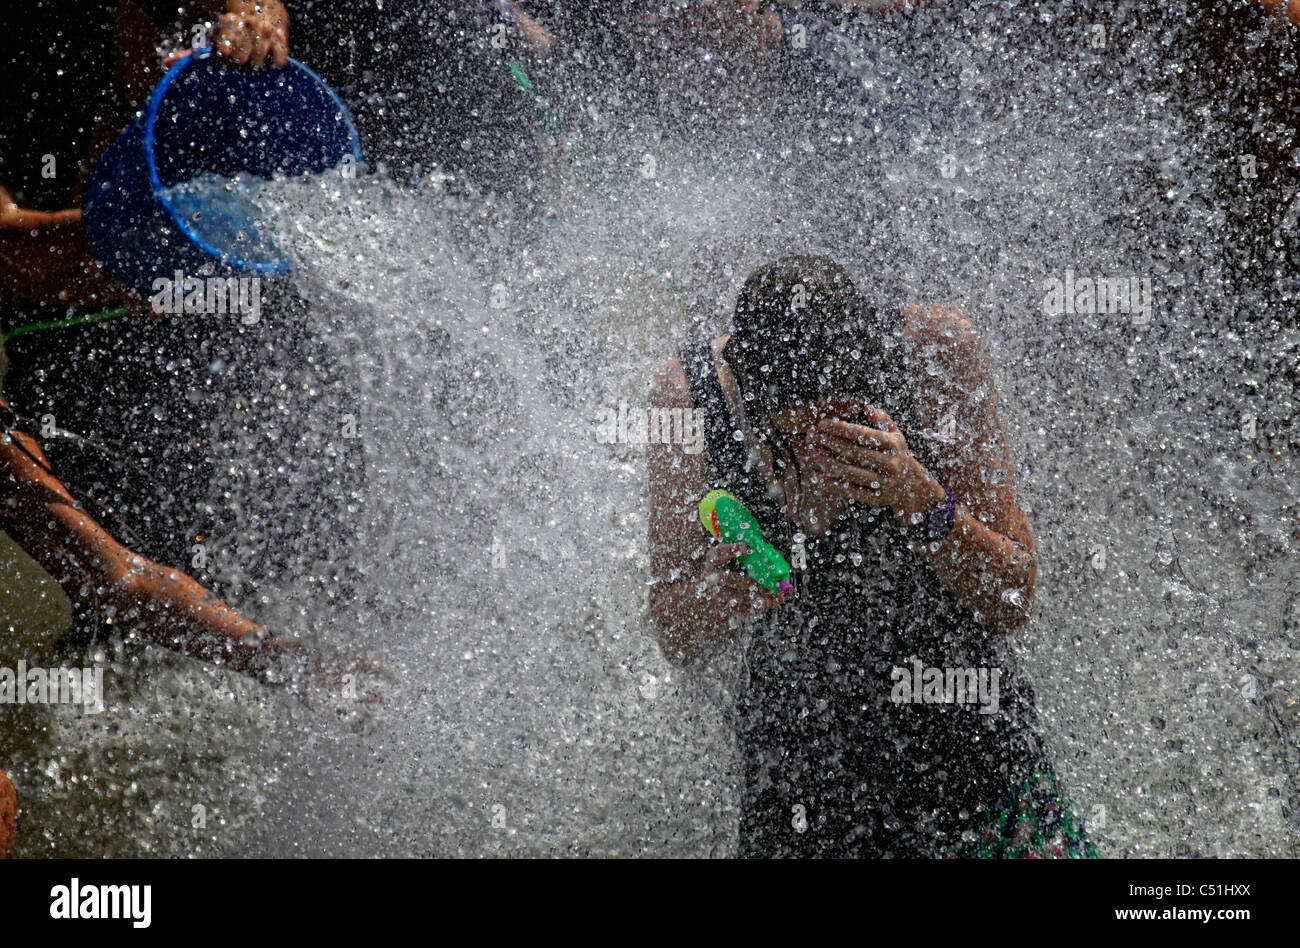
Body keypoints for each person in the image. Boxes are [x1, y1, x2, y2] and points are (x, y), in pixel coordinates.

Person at [648, 255, 1097, 856]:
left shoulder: (935, 353)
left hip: (968, 737)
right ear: (753, 394)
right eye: (792, 431)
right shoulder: (687, 401)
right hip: (802, 770)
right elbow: (675, 635)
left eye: (842, 420)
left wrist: (923, 499)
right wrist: (714, 597)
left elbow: (1014, 596)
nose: (818, 445)